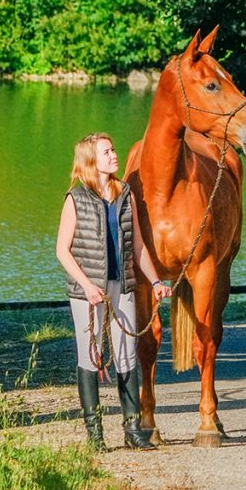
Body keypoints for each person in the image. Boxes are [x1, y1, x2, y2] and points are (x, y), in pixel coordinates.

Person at [56, 132, 173, 450]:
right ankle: (95, 435)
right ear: (91, 160)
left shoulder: (126, 194)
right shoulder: (75, 198)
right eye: (106, 151)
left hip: (123, 286)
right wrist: (87, 286)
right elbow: (62, 251)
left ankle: (133, 430)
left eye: (113, 149)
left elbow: (138, 246)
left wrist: (157, 282)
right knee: (90, 357)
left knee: (126, 356)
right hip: (87, 292)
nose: (114, 155)